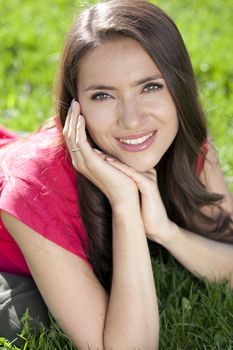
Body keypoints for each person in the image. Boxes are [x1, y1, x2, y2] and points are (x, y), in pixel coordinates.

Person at [0, 0, 232, 349]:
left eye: (150, 87)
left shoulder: (181, 135)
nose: (132, 119)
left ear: (179, 88)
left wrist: (165, 231)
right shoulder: (34, 188)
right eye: (103, 95)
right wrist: (125, 204)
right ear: (75, 107)